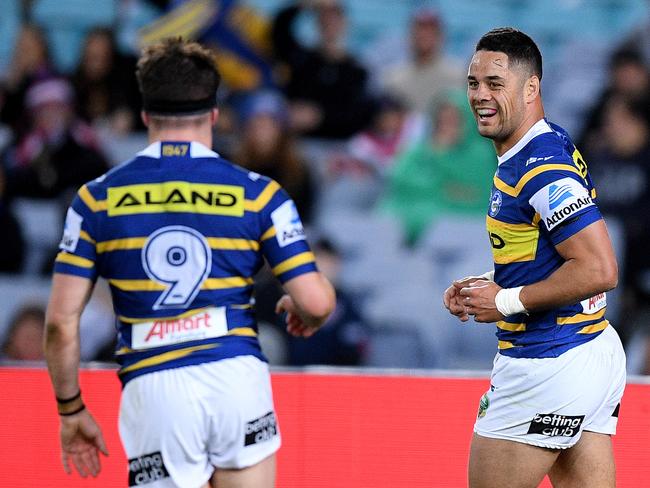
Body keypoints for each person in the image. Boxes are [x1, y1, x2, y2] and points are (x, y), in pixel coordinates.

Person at [43, 38, 335, 487]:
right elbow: (316, 302)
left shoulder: (95, 199)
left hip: (154, 384)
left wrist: (71, 410)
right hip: (235, 376)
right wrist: (304, 313)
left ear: (145, 115)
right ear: (214, 114)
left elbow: (61, 324)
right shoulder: (259, 193)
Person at [442, 28, 626, 488]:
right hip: (589, 352)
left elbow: (599, 268)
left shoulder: (540, 166)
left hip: (547, 362)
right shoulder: (542, 142)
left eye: (494, 84)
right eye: (473, 83)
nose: (480, 96)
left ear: (531, 88)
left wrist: (504, 302)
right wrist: (488, 282)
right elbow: (549, 249)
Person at [271, 0, 375, 138]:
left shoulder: (356, 70)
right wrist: (307, 5)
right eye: (325, 18)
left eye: (335, 18)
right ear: (317, 23)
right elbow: (279, 29)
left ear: (346, 23)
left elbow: (359, 114)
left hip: (337, 146)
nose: (330, 23)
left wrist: (320, 115)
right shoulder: (301, 59)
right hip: (295, 143)